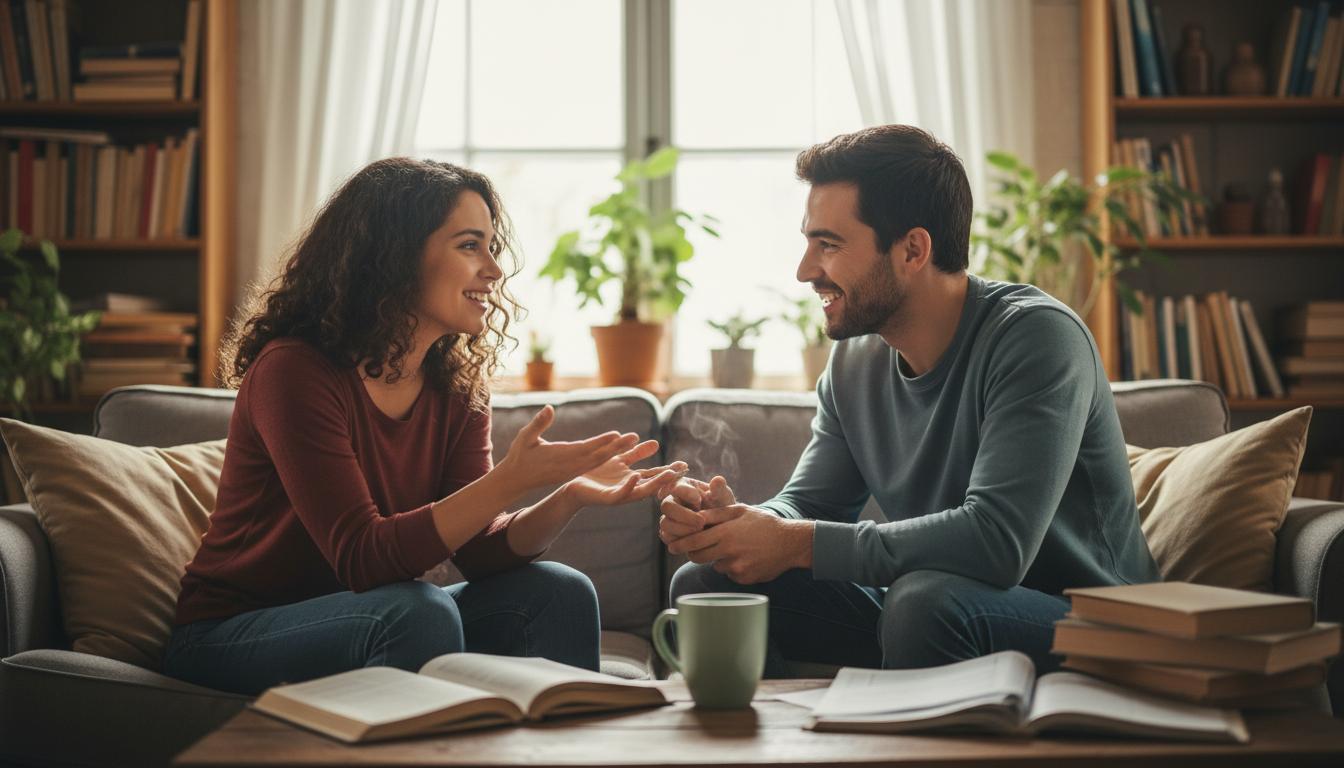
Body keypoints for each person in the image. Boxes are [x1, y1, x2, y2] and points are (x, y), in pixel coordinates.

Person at [166, 158, 685, 695]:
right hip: (231, 634)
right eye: (469, 245)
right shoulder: (293, 371)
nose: (493, 269)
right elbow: (362, 559)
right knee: (415, 612)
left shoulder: (455, 386)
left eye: (491, 246)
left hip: (370, 616)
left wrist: (567, 495)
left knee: (557, 592)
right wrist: (509, 479)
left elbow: (478, 551)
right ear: (393, 257)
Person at [662, 125, 1159, 676]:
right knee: (709, 585)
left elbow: (997, 543)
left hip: (1094, 622)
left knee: (924, 602)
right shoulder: (854, 363)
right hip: (935, 608)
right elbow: (811, 506)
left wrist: (795, 542)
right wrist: (740, 526)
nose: (804, 271)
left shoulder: (1037, 339)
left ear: (913, 250)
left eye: (828, 245)